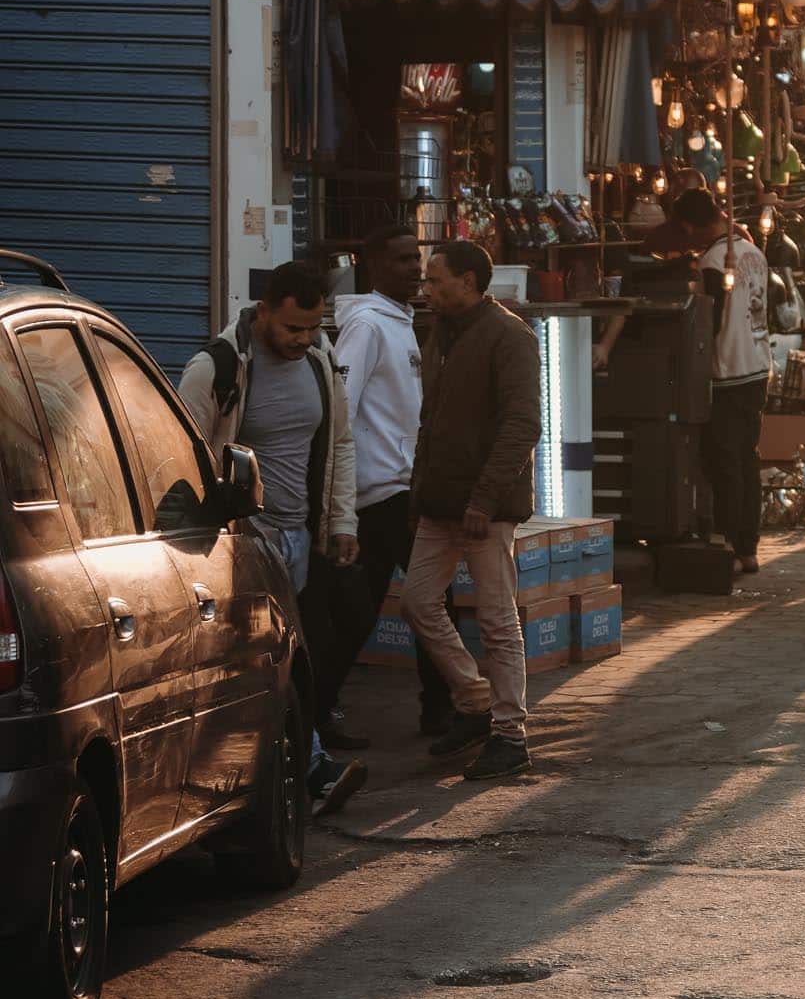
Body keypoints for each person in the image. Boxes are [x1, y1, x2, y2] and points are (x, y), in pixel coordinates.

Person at [178, 259, 367, 815]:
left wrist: (340, 521)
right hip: (244, 541)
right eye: (292, 329)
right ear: (263, 312)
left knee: (271, 662)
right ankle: (310, 771)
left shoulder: (319, 360)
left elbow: (339, 445)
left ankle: (255, 779)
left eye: (312, 328)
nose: (303, 339)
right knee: (270, 659)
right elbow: (184, 458)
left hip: (298, 540)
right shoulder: (216, 368)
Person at [405, 241, 541, 782]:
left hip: (485, 507)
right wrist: (422, 493)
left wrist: (484, 500)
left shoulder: (509, 336)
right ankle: (475, 698)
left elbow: (522, 426)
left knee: (497, 620)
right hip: (441, 501)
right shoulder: (441, 330)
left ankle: (511, 734)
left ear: (468, 280)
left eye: (436, 281)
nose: (426, 289)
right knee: (417, 601)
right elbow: (431, 420)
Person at [332, 224, 454, 739]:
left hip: (402, 485)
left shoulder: (403, 322)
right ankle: (441, 708)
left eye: (417, 258)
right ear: (375, 267)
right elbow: (342, 405)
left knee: (383, 607)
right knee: (423, 603)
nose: (415, 268)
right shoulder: (367, 326)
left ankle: (436, 707)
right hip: (379, 492)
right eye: (403, 259)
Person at [671, 190, 772, 574]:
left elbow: (707, 326)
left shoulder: (715, 261)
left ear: (690, 225)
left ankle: (734, 544)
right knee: (747, 459)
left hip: (729, 371)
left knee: (725, 461)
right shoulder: (752, 251)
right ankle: (748, 545)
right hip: (757, 366)